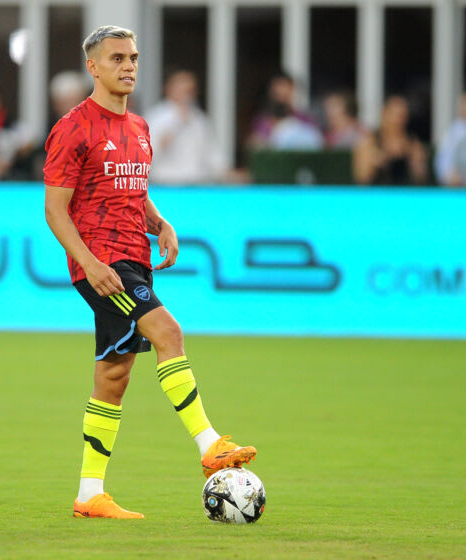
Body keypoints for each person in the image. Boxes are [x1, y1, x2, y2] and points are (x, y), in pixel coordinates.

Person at [42, 25, 256, 520]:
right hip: (105, 267)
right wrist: (91, 265)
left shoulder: (138, 127)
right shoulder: (73, 127)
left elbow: (132, 190)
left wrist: (161, 223)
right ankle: (210, 444)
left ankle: (89, 494)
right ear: (92, 66)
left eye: (133, 57)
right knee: (168, 331)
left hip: (133, 257)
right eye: (116, 58)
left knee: (113, 376)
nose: (129, 66)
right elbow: (56, 210)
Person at [144, 70, 226, 184]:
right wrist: (176, 124)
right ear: (169, 89)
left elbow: (212, 154)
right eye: (182, 89)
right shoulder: (156, 117)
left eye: (189, 90)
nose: (186, 94)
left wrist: (225, 172)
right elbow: (147, 153)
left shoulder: (199, 119)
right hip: (164, 183)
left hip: (196, 182)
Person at [353, 95, 427, 185]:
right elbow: (361, 179)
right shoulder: (369, 142)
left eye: (403, 116)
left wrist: (416, 165)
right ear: (384, 114)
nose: (399, 121)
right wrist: (374, 163)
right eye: (396, 115)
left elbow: (422, 180)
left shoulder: (413, 144)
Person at [248, 72, 315, 148]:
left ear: (291, 90)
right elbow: (254, 144)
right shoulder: (264, 121)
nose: (281, 96)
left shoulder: (303, 119)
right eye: (277, 93)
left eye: (285, 92)